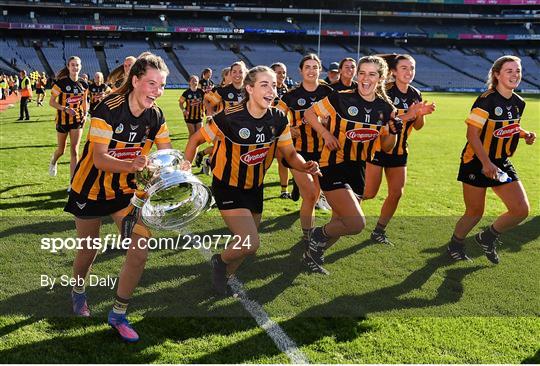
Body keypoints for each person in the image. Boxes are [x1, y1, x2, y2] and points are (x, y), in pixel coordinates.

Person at [183, 65, 321, 295]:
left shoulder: (278, 118)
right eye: (264, 85)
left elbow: (289, 154)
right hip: (228, 187)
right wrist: (185, 172)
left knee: (248, 246)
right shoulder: (228, 117)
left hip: (254, 188)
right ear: (249, 88)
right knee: (250, 242)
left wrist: (304, 165)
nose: (272, 90)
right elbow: (195, 140)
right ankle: (219, 261)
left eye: (274, 86)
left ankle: (224, 277)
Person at [65, 52, 172, 342]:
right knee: (89, 250)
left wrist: (174, 165)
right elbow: (99, 159)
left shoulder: (156, 115)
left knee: (140, 249)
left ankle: (118, 314)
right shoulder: (107, 108)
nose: (157, 91)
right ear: (135, 80)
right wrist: (134, 164)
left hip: (125, 192)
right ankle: (77, 290)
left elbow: (164, 152)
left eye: (161, 85)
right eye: (151, 84)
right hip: (90, 189)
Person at [302, 55, 402, 274]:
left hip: (359, 169)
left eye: (372, 74)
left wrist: (393, 132)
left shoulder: (386, 108)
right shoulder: (340, 98)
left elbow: (387, 146)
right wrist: (326, 133)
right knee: (356, 223)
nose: (365, 78)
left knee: (340, 222)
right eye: (362, 73)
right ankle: (316, 235)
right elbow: (310, 114)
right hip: (332, 164)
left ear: (381, 78)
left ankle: (311, 255)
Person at [448, 55, 535, 264]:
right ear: (497, 75)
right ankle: (456, 243)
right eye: (509, 71)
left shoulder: (518, 102)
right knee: (475, 212)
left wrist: (524, 134)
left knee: (521, 210)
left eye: (517, 71)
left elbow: (508, 127)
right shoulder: (486, 100)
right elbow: (472, 134)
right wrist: (486, 163)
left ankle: (487, 237)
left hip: (501, 161)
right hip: (476, 161)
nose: (515, 75)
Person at [363, 54, 436, 245]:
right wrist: (409, 114)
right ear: (393, 71)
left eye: (412, 68)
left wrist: (420, 114)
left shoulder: (415, 93)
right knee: (369, 193)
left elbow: (418, 126)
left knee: (396, 193)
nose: (409, 72)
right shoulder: (384, 91)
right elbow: (380, 122)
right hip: (378, 148)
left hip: (400, 151)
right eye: (404, 68)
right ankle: (345, 214)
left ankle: (379, 231)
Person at [277, 54, 333, 243]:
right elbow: (274, 120)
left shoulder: (329, 93)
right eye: (307, 67)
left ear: (320, 70)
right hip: (296, 152)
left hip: (323, 152)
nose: (311, 70)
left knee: (315, 195)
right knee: (309, 194)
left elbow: (341, 120)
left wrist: (329, 122)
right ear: (300, 71)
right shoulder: (290, 96)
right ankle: (309, 235)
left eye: (315, 67)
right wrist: (287, 129)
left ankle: (310, 232)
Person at [48, 56, 89, 182]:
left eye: (77, 65)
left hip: (77, 121)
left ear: (80, 66)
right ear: (68, 66)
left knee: (75, 151)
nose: (75, 67)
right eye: (72, 65)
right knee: (61, 150)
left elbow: (85, 101)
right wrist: (65, 109)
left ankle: (73, 182)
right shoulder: (60, 83)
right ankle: (54, 160)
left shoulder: (84, 84)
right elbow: (51, 102)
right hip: (62, 121)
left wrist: (85, 114)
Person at [271, 62, 291, 199]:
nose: (282, 75)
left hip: (282, 131)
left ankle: (284, 190)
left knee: (283, 160)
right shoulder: (266, 88)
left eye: (284, 72)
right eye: (279, 72)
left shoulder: (286, 89)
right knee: (261, 162)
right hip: (266, 132)